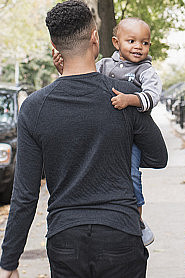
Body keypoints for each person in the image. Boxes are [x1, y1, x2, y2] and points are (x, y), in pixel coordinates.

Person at [0, 0, 168, 278]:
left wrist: (9, 262)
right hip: (121, 234)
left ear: (55, 48)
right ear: (95, 38)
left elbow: (25, 194)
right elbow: (158, 157)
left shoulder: (34, 107)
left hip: (66, 238)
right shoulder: (124, 95)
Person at [55, 17, 163, 246]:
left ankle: (138, 221)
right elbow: (84, 79)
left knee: (132, 174)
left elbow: (152, 97)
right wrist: (64, 69)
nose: (138, 47)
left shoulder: (146, 71)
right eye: (131, 40)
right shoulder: (104, 65)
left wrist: (129, 99)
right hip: (105, 131)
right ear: (116, 42)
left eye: (144, 43)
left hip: (131, 135)